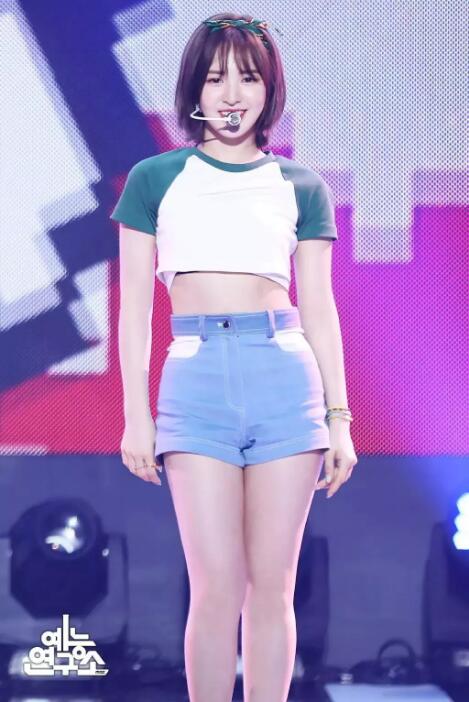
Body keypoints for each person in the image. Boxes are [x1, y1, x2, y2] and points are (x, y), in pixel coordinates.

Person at [110, 11, 358, 702]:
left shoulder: (299, 185)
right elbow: (134, 311)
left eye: (247, 78)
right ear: (194, 88)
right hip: (195, 378)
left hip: (283, 374)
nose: (231, 93)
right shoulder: (154, 179)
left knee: (272, 587)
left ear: (268, 90)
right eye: (216, 77)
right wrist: (135, 415)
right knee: (215, 586)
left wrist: (339, 418)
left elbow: (320, 309)